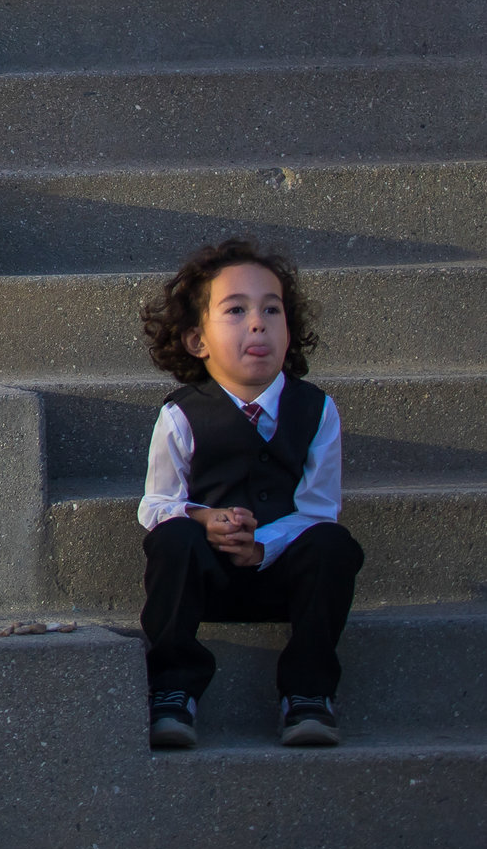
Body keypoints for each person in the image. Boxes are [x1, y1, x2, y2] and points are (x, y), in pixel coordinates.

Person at [137, 236, 362, 750]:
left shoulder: (317, 411)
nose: (257, 322)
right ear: (198, 340)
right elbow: (156, 504)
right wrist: (202, 519)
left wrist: (266, 545)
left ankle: (308, 694)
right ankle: (173, 689)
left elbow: (318, 508)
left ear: (289, 332)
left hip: (281, 575)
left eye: (271, 310)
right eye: (235, 310)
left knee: (334, 545)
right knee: (171, 540)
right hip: (207, 573)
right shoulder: (180, 414)